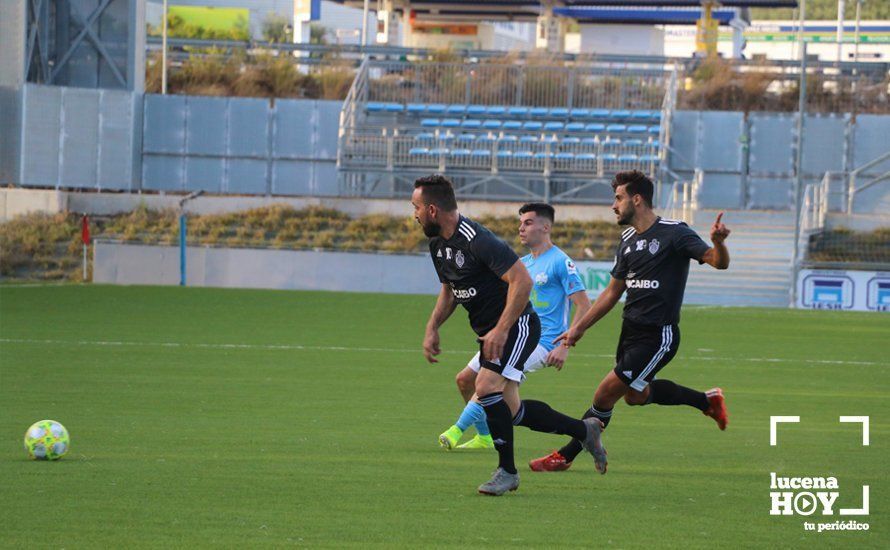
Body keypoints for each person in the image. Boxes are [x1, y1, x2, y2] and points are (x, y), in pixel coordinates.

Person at [413, 175, 604, 495]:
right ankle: (583, 430)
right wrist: (433, 327)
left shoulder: (478, 239)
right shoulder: (438, 244)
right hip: (493, 332)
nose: (414, 214)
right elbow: (450, 289)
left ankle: (507, 471)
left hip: (518, 326)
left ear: (432, 209)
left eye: (416, 207)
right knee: (513, 412)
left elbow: (522, 282)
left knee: (485, 386)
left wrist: (501, 330)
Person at [529, 170, 730, 474]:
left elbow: (718, 261)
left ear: (637, 199)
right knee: (636, 396)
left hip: (658, 335)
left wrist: (719, 243)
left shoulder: (675, 232)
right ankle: (707, 401)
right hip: (630, 332)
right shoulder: (627, 240)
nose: (614, 205)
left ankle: (566, 455)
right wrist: (578, 328)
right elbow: (612, 292)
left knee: (604, 394)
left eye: (618, 197)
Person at [438, 202, 591, 451]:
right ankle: (486, 436)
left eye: (528, 223)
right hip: (514, 334)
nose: (521, 228)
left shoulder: (561, 262)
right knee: (466, 380)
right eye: (520, 223)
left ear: (546, 227)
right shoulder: (521, 264)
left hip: (543, 342)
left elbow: (584, 305)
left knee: (488, 384)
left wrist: (566, 345)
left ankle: (456, 430)